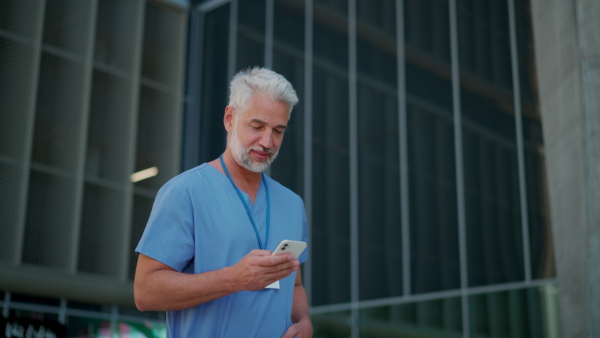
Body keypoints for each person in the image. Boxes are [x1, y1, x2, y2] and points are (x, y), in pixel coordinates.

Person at [134, 67, 312, 338]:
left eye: (278, 130)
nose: (268, 142)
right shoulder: (185, 192)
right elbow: (145, 292)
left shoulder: (292, 204)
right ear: (230, 118)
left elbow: (295, 284)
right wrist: (234, 279)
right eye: (257, 126)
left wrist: (304, 321)